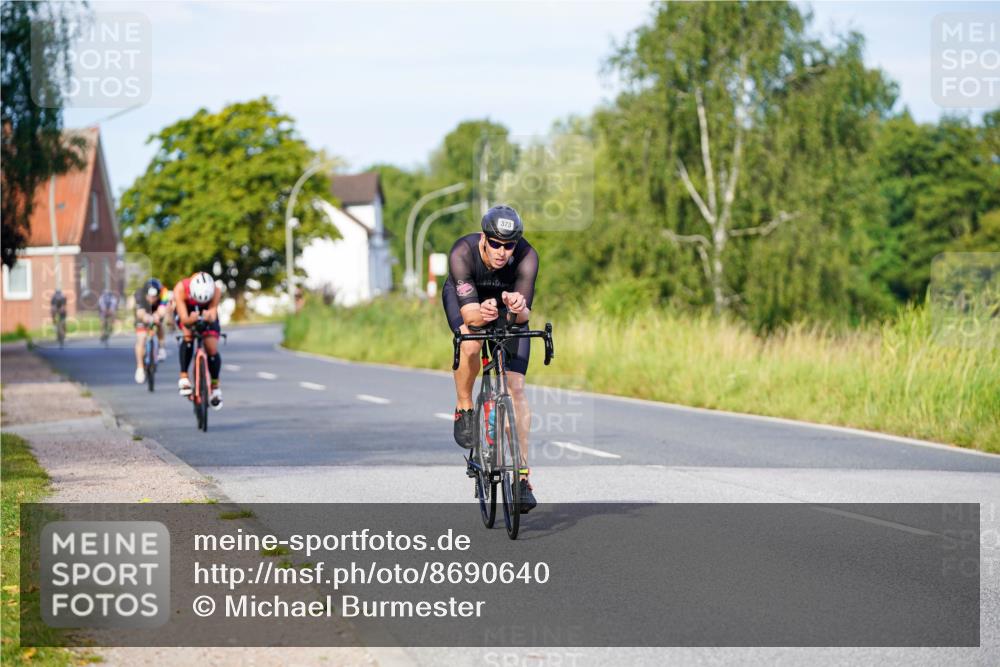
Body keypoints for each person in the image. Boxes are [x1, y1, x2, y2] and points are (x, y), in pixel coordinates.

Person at [441, 204, 539, 512]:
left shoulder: (527, 256)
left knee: (517, 390)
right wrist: (481, 313)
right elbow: (470, 315)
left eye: (507, 245)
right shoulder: (462, 252)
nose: (501, 251)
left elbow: (524, 315)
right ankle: (464, 405)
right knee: (470, 344)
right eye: (495, 243)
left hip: (506, 310)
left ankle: (522, 478)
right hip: (468, 304)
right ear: (484, 238)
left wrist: (517, 304)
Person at [173, 271, 223, 410]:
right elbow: (184, 319)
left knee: (211, 347)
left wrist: (209, 318)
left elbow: (213, 312)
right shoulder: (181, 288)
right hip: (187, 311)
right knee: (188, 335)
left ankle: (215, 385)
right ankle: (183, 376)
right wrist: (191, 320)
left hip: (206, 312)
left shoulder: (216, 290)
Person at [133, 279, 169, 383]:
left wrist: (158, 316)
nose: (152, 299)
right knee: (142, 337)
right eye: (150, 296)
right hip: (144, 312)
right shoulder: (139, 294)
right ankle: (140, 367)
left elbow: (163, 309)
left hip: (156, 311)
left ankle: (161, 348)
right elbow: (140, 313)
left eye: (155, 297)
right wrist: (146, 317)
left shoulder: (164, 293)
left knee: (159, 323)